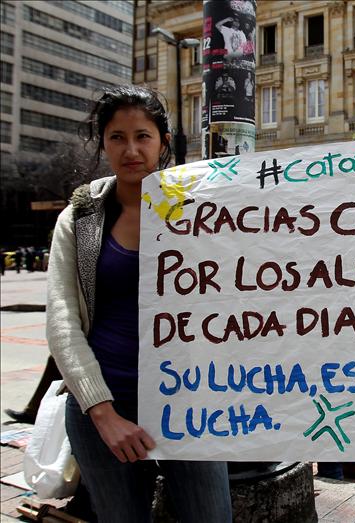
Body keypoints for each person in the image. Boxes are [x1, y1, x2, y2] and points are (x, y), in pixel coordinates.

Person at [47, 85, 232, 522]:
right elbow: (61, 319)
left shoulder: (202, 205)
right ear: (103, 142)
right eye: (117, 137)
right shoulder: (81, 215)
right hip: (104, 410)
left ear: (163, 142)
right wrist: (102, 411)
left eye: (143, 136)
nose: (131, 149)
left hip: (191, 403)